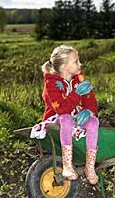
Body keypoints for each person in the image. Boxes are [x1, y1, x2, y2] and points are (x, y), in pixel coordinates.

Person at [40, 45, 99, 185]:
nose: (80, 64)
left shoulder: (79, 80)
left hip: (75, 119)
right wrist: (76, 93)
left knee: (93, 122)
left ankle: (89, 167)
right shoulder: (51, 84)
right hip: (56, 119)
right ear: (64, 66)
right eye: (76, 61)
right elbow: (61, 110)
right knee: (66, 119)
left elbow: (91, 101)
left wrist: (89, 111)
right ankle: (67, 165)